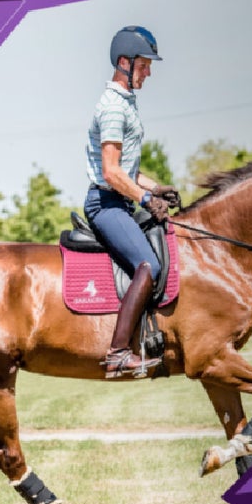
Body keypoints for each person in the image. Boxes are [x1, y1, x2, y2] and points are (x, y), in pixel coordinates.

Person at [84, 26, 180, 378]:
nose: (149, 72)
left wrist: (156, 188)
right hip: (106, 204)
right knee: (148, 265)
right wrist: (145, 198)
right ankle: (118, 353)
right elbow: (111, 173)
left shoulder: (126, 103)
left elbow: (128, 170)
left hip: (121, 200)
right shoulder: (113, 108)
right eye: (144, 65)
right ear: (124, 62)